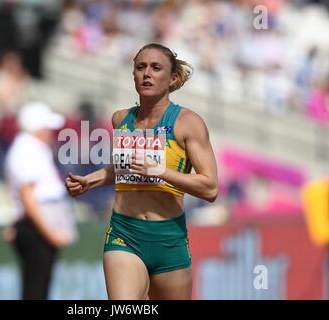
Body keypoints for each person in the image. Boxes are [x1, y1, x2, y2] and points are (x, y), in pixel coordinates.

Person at [66, 43, 218, 300]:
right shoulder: (120, 120)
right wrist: (90, 180)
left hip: (169, 238)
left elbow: (210, 187)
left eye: (156, 68)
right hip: (124, 233)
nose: (146, 73)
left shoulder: (188, 123)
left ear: (172, 78)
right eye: (140, 67)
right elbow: (127, 168)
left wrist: (160, 171)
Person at [4, 102, 78, 300]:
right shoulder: (26, 150)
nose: (51, 132)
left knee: (39, 288)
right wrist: (50, 232)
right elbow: (28, 197)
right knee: (36, 291)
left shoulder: (33, 149)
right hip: (37, 229)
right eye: (47, 127)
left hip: (36, 226)